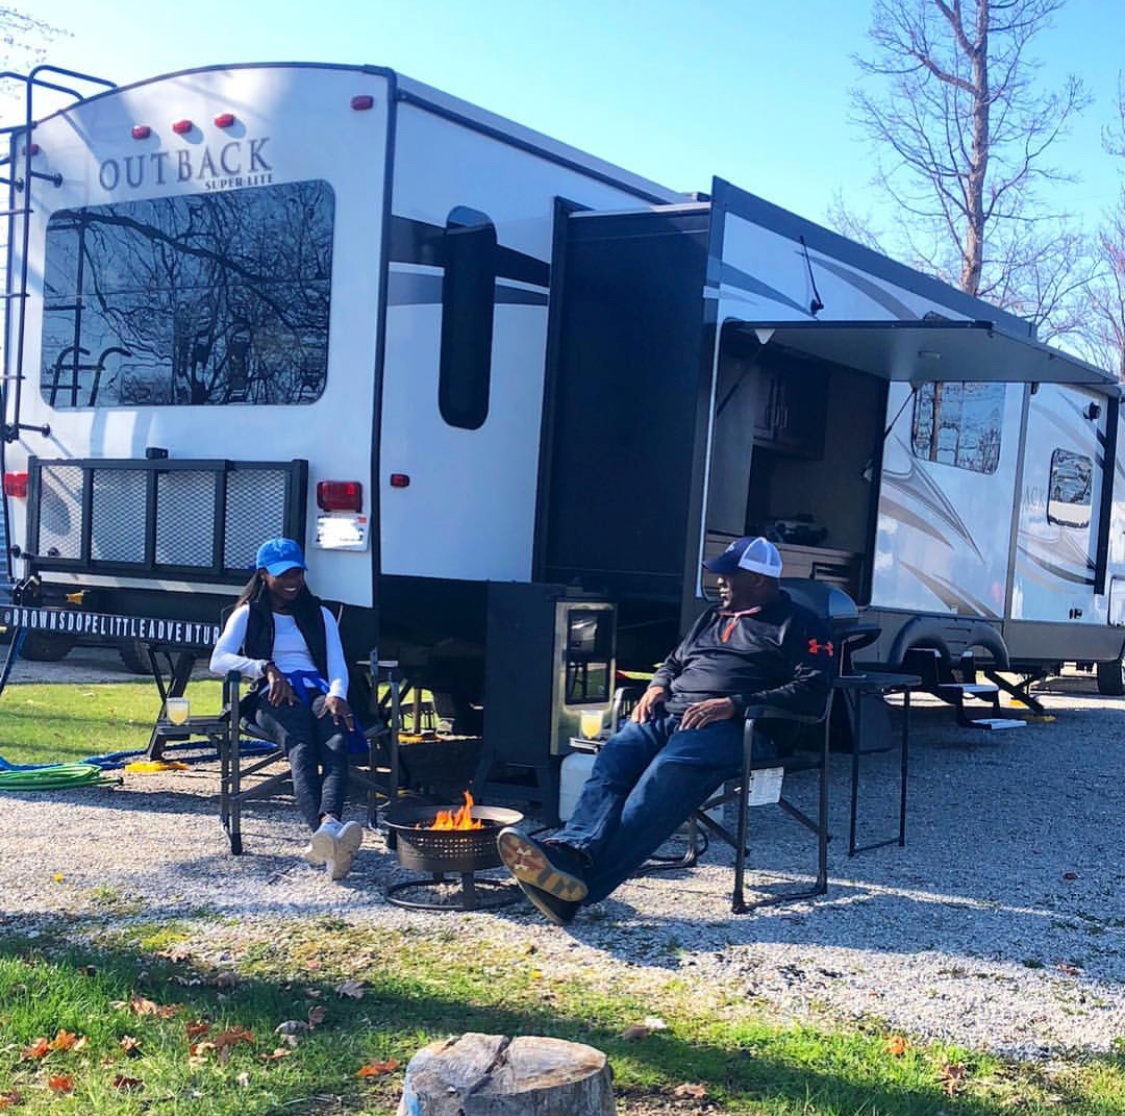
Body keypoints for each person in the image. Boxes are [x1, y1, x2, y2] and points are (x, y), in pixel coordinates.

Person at [496, 536, 835, 925]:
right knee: (617, 753)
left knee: (665, 773)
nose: (718, 581)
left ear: (758, 580)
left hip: (742, 727)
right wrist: (657, 686)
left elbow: (811, 690)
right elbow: (673, 663)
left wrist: (733, 704)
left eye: (727, 574)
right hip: (672, 715)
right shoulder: (711, 617)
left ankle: (584, 884)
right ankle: (571, 851)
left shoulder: (802, 625)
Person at [211, 537, 364, 880]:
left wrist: (337, 694)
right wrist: (264, 667)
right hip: (272, 694)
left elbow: (337, 664)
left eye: (297, 573)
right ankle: (329, 834)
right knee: (303, 747)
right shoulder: (247, 614)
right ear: (264, 575)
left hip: (317, 689)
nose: (293, 581)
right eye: (283, 575)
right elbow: (218, 661)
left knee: (336, 742)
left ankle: (328, 831)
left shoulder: (319, 614)